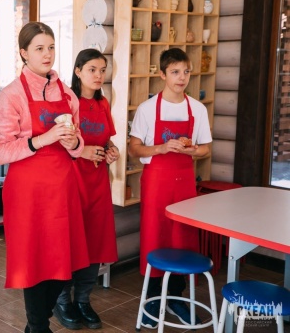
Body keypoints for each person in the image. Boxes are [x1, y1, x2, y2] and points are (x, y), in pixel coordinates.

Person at [0, 21, 89, 333]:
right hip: (28, 191)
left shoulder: (67, 94)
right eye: (39, 49)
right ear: (24, 53)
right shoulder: (12, 94)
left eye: (51, 47)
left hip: (62, 188)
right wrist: (41, 140)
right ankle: (37, 326)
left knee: (63, 261)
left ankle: (38, 324)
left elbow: (79, 143)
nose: (47, 54)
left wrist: (73, 143)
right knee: (34, 262)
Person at [128, 48, 212, 328]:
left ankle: (177, 298)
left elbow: (206, 148)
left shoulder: (197, 109)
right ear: (162, 75)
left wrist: (193, 151)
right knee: (156, 236)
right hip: (157, 182)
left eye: (186, 72)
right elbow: (134, 149)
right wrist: (162, 148)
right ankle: (153, 300)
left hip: (184, 181)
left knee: (182, 237)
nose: (182, 77)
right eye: (175, 72)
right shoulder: (147, 109)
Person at [54, 49, 119, 330]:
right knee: (69, 241)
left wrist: (112, 150)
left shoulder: (103, 104)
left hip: (98, 182)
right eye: (92, 69)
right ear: (78, 71)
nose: (98, 75)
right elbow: (57, 143)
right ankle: (62, 301)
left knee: (94, 241)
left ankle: (83, 300)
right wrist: (83, 151)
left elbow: (107, 139)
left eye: (102, 70)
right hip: (71, 181)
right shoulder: (67, 103)